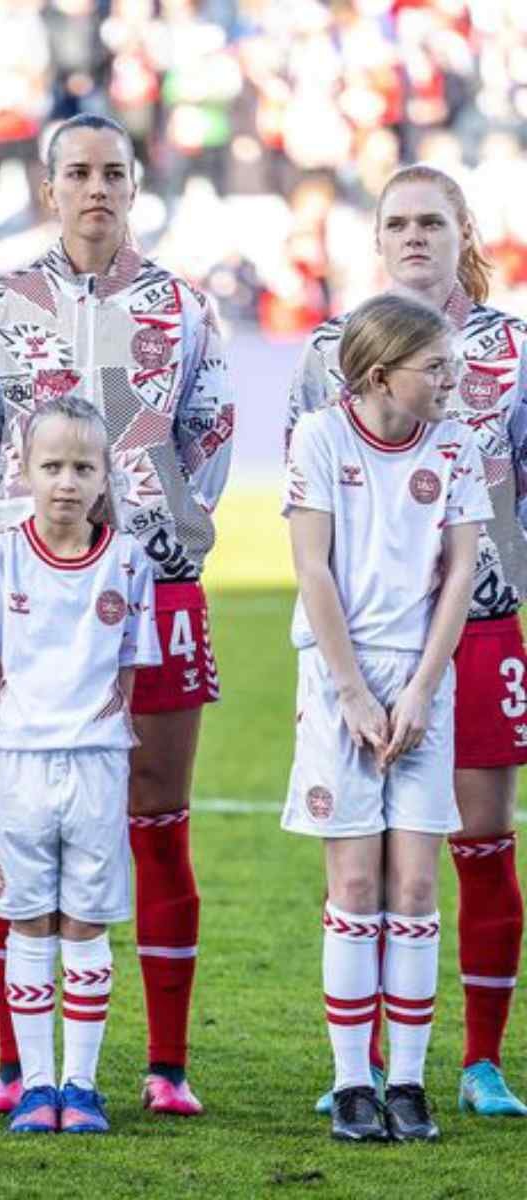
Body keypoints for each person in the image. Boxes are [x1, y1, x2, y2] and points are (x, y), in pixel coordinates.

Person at [0, 112, 232, 1116]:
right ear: (47, 184)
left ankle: (164, 1066)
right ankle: (19, 1067)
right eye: (78, 173)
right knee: (20, 827)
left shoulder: (184, 306)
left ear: (136, 183)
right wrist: (3, 529)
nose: (96, 189)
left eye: (114, 171)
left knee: (157, 820)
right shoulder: (1, 301)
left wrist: (168, 535)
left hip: (150, 587)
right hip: (34, 593)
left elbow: (213, 425)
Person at [289, 163, 527, 1118]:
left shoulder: (510, 347)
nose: (415, 237)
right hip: (360, 635)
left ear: (462, 229)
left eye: (433, 221)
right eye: (398, 223)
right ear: (377, 239)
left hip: (480, 622)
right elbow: (309, 512)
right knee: (358, 859)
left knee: (473, 840)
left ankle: (477, 1061)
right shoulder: (325, 352)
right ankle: (361, 1066)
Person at [0, 396, 160, 1135]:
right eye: (51, 466)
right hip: (18, 758)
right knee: (27, 918)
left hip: (96, 759)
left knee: (84, 920)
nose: (67, 482)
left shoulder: (127, 561)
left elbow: (129, 670)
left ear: (106, 474)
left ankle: (79, 1086)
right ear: (24, 470)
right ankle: (35, 1084)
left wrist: (102, 731)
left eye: (84, 467)